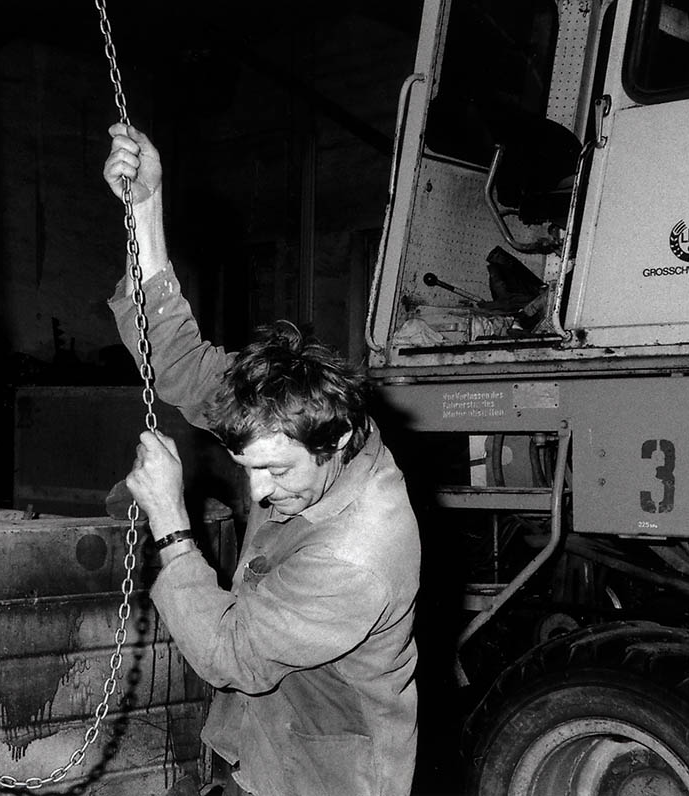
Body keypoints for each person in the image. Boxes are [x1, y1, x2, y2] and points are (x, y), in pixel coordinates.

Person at [103, 123, 421, 796]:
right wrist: (146, 209)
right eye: (247, 465)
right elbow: (177, 361)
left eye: (275, 471)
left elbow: (232, 658)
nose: (259, 491)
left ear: (336, 440)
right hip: (262, 738)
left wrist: (171, 523)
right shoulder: (292, 415)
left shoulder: (356, 556)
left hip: (324, 774)